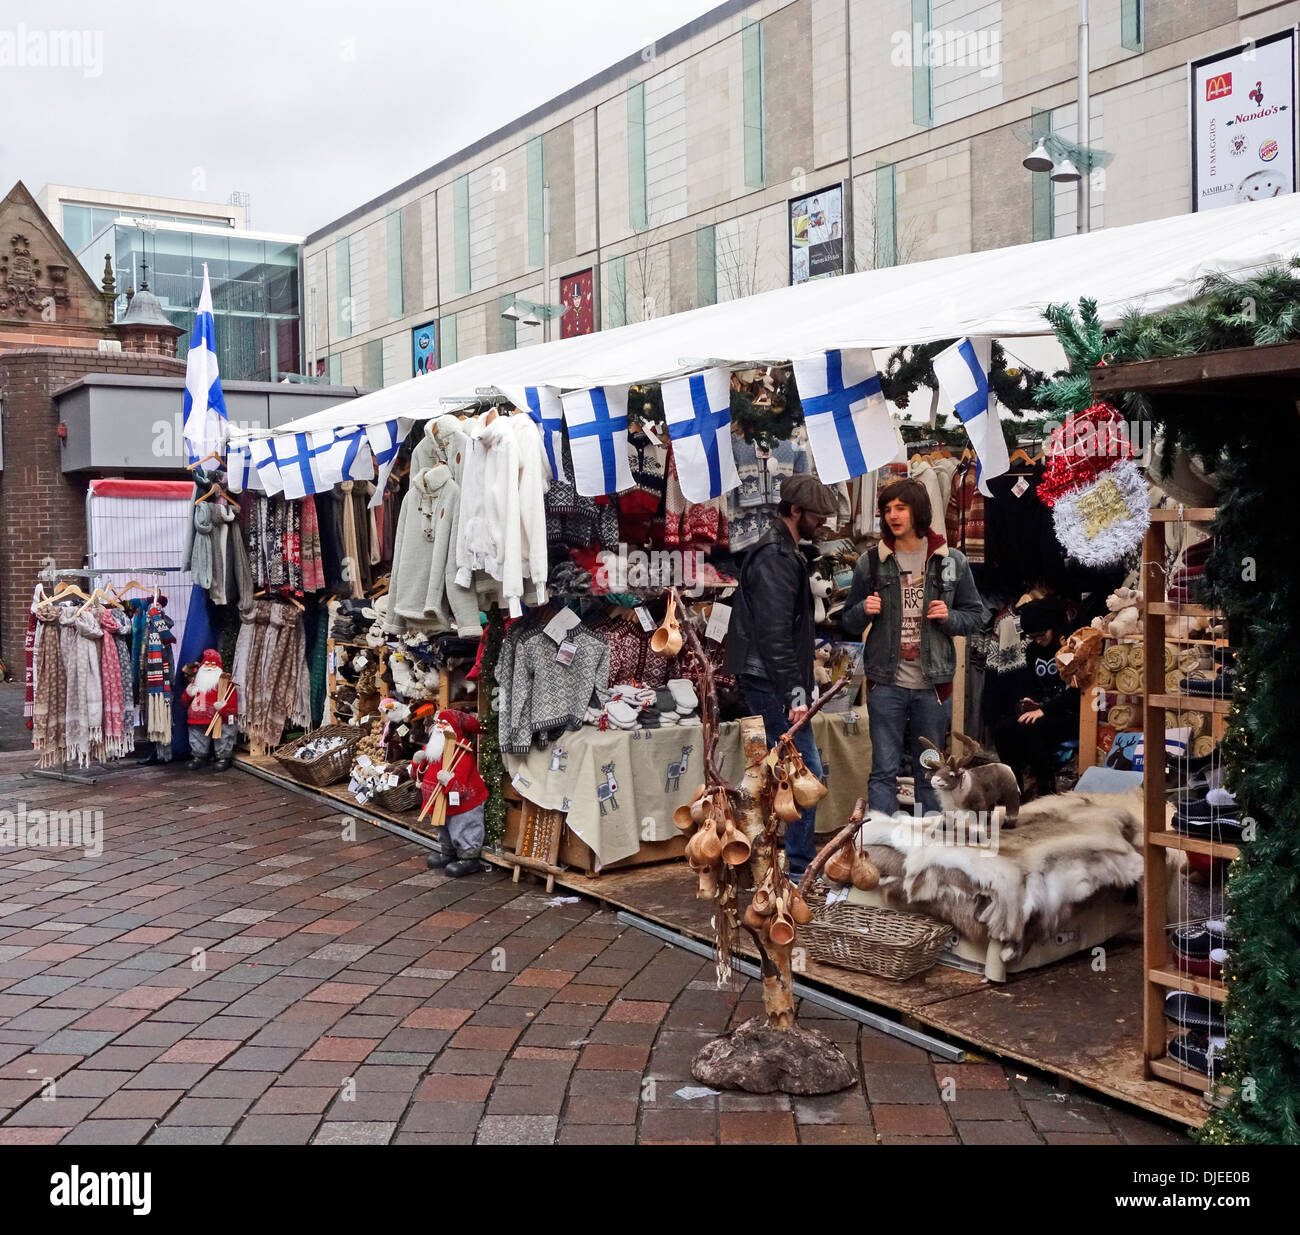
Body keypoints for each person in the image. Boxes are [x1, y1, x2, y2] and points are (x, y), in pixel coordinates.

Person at [841, 478, 986, 815]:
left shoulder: (950, 561)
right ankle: (882, 846)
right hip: (885, 683)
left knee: (931, 773)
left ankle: (928, 848)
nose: (893, 515)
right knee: (883, 771)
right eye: (887, 509)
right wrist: (864, 610)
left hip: (933, 687)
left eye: (900, 508)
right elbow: (848, 620)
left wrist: (950, 617)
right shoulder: (872, 562)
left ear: (917, 510)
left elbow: (976, 616)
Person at [725, 472, 840, 878]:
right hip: (770, 680)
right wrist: (795, 694)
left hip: (766, 677)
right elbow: (774, 634)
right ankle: (797, 869)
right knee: (803, 772)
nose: (823, 522)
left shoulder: (783, 551)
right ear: (795, 511)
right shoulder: (776, 556)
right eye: (818, 515)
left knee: (783, 772)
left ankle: (777, 862)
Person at [992, 596, 1077, 798]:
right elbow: (1032, 685)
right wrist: (1030, 701)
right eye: (1034, 637)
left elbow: (1076, 693)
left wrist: (1044, 709)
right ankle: (1013, 789)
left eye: (1042, 634)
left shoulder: (1072, 648)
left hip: (1070, 714)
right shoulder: (1032, 650)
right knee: (1002, 728)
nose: (1039, 640)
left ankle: (1045, 790)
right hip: (1044, 709)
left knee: (1033, 730)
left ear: (1053, 626)